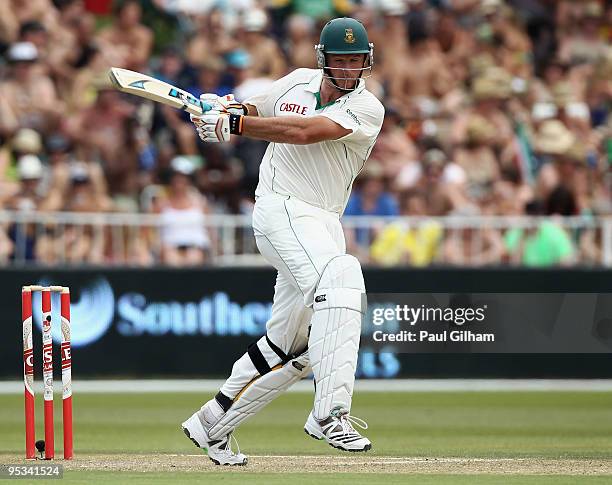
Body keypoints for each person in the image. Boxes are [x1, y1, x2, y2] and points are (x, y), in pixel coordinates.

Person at [182, 17, 384, 465]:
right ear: (323, 59)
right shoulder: (295, 81)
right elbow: (256, 109)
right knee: (344, 278)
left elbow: (303, 131)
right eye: (341, 61)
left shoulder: (368, 108)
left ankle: (212, 423)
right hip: (281, 208)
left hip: (324, 220)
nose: (349, 70)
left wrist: (231, 125)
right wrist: (225, 109)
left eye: (356, 61)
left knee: (293, 345)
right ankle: (330, 414)